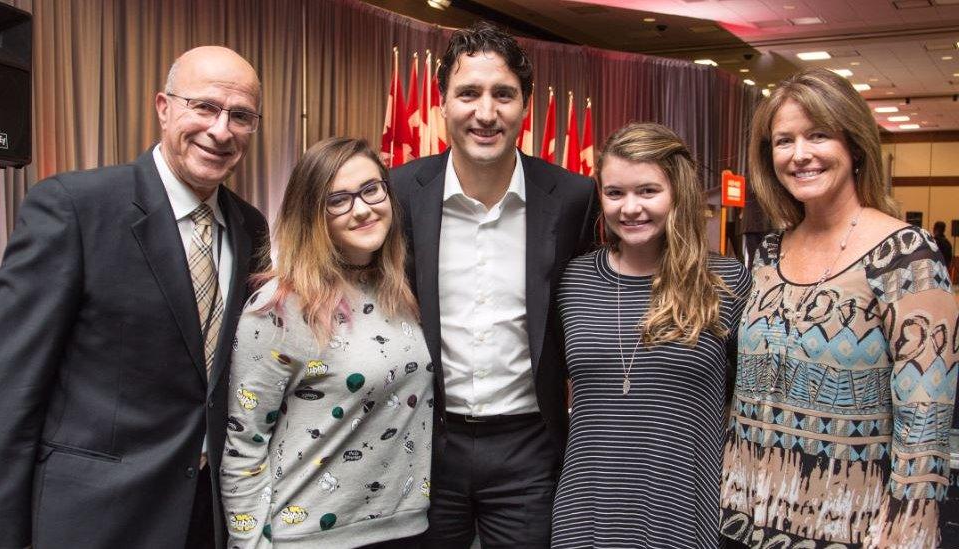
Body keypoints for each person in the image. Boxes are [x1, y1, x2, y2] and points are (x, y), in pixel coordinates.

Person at [0, 46, 269, 548]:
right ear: (163, 107)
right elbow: (8, 393)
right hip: (94, 518)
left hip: (209, 517)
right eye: (203, 107)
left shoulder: (250, 227)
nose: (221, 130)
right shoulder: (74, 208)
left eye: (240, 116)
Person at [720, 68, 958, 548]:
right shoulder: (767, 252)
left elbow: (926, 420)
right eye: (783, 140)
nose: (799, 154)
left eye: (818, 135)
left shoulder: (907, 254)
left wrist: (909, 525)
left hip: (856, 526)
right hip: (742, 519)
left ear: (854, 145)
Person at [390, 21, 597, 548]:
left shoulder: (573, 197)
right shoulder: (398, 192)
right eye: (468, 94)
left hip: (528, 447)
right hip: (423, 440)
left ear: (525, 105)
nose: (486, 113)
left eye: (503, 94)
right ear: (442, 104)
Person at [220, 137, 433, 548]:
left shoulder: (400, 292)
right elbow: (244, 446)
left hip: (407, 529)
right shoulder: (279, 307)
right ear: (312, 215)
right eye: (339, 199)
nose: (363, 208)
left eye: (372, 189)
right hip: (307, 536)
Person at [550, 122, 752, 548]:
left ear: (678, 192)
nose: (630, 208)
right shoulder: (573, 280)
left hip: (683, 512)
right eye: (615, 193)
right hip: (587, 513)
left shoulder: (726, 281)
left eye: (647, 191)